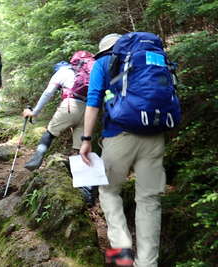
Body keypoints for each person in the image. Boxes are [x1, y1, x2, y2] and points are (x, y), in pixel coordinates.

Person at [79, 33, 168, 267]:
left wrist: (86, 139)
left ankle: (122, 254)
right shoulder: (150, 59)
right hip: (155, 136)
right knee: (149, 200)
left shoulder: (102, 63)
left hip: (118, 136)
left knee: (108, 191)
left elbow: (93, 101)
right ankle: (148, 263)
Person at [22, 52, 96, 206]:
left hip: (70, 105)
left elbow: (48, 93)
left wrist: (34, 112)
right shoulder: (85, 72)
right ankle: (87, 191)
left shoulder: (61, 73)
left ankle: (36, 159)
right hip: (89, 109)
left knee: (50, 132)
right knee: (81, 148)